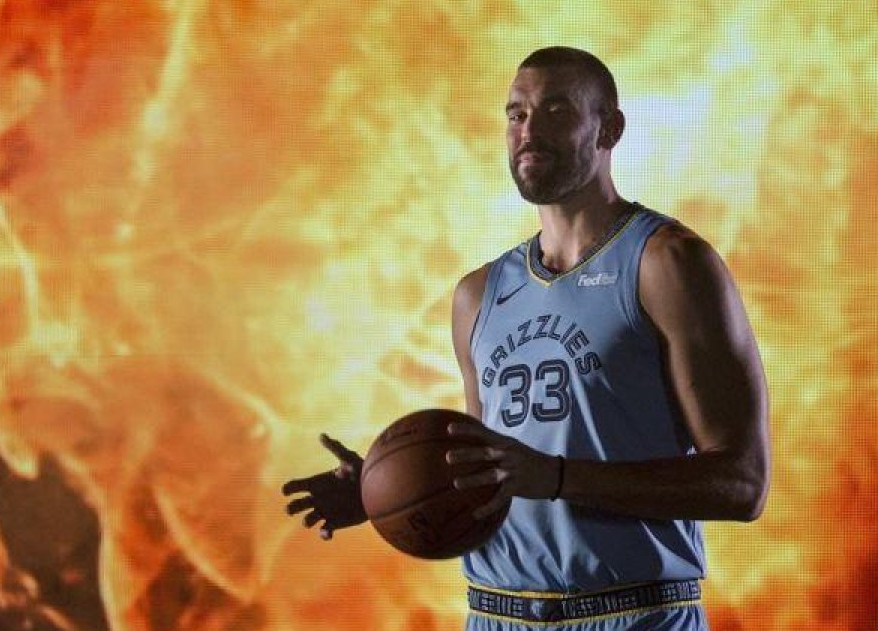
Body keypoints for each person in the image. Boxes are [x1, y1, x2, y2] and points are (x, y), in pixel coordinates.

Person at [283, 46, 770, 630]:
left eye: (557, 111)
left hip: (632, 614)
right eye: (516, 114)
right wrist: (384, 491)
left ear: (609, 128)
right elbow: (491, 481)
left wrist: (558, 477)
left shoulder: (666, 263)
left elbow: (741, 484)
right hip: (494, 614)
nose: (530, 130)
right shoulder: (477, 294)